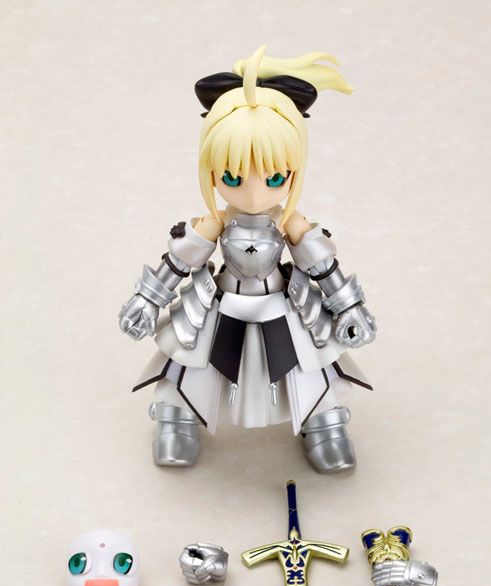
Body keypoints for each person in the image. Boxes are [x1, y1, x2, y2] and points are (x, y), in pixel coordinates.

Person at [119, 45, 376, 473]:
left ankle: (325, 424)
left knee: (310, 362)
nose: (254, 193)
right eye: (232, 176)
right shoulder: (213, 223)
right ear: (212, 171)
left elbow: (323, 267)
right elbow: (178, 264)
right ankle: (176, 419)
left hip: (281, 305)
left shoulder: (291, 223)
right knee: (190, 359)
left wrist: (350, 307)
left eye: (274, 178)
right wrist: (146, 300)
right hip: (222, 305)